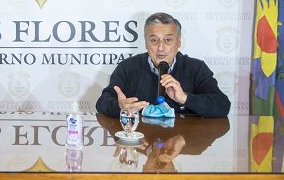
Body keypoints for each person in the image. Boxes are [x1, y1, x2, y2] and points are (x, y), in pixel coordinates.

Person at [96, 12, 231, 118]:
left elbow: (222, 105)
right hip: (142, 146)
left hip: (182, 145)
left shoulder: (196, 68)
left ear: (178, 42)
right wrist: (119, 106)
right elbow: (102, 103)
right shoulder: (128, 67)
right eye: (154, 40)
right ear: (145, 43)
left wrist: (185, 98)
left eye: (168, 40)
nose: (161, 47)